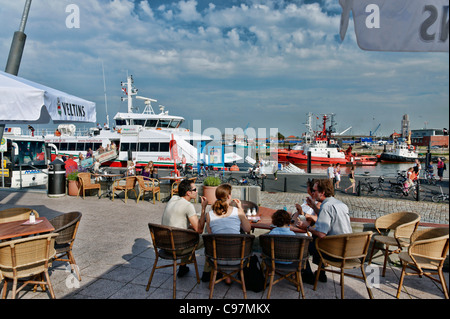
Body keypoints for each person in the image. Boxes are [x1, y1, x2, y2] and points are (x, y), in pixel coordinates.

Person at [296, 179, 352, 284]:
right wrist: (313, 206)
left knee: (303, 244)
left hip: (334, 253)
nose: (313, 192)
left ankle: (308, 275)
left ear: (322, 193)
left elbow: (322, 234)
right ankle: (321, 272)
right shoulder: (340, 204)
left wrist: (306, 227)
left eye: (315, 190)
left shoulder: (326, 207)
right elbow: (326, 216)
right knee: (315, 240)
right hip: (347, 248)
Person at [161, 179, 208, 278]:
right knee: (209, 239)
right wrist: (203, 208)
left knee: (189, 233)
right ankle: (207, 273)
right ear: (188, 193)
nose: (197, 191)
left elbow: (178, 222)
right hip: (177, 248)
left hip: (164, 244)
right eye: (194, 189)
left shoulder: (173, 199)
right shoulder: (188, 205)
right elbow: (199, 230)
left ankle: (183, 267)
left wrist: (190, 226)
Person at [205, 183, 251, 283]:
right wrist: (241, 209)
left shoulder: (209, 215)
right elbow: (248, 229)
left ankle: (226, 275)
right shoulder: (237, 211)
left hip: (217, 258)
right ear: (229, 196)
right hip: (237, 258)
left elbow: (210, 234)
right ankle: (228, 275)